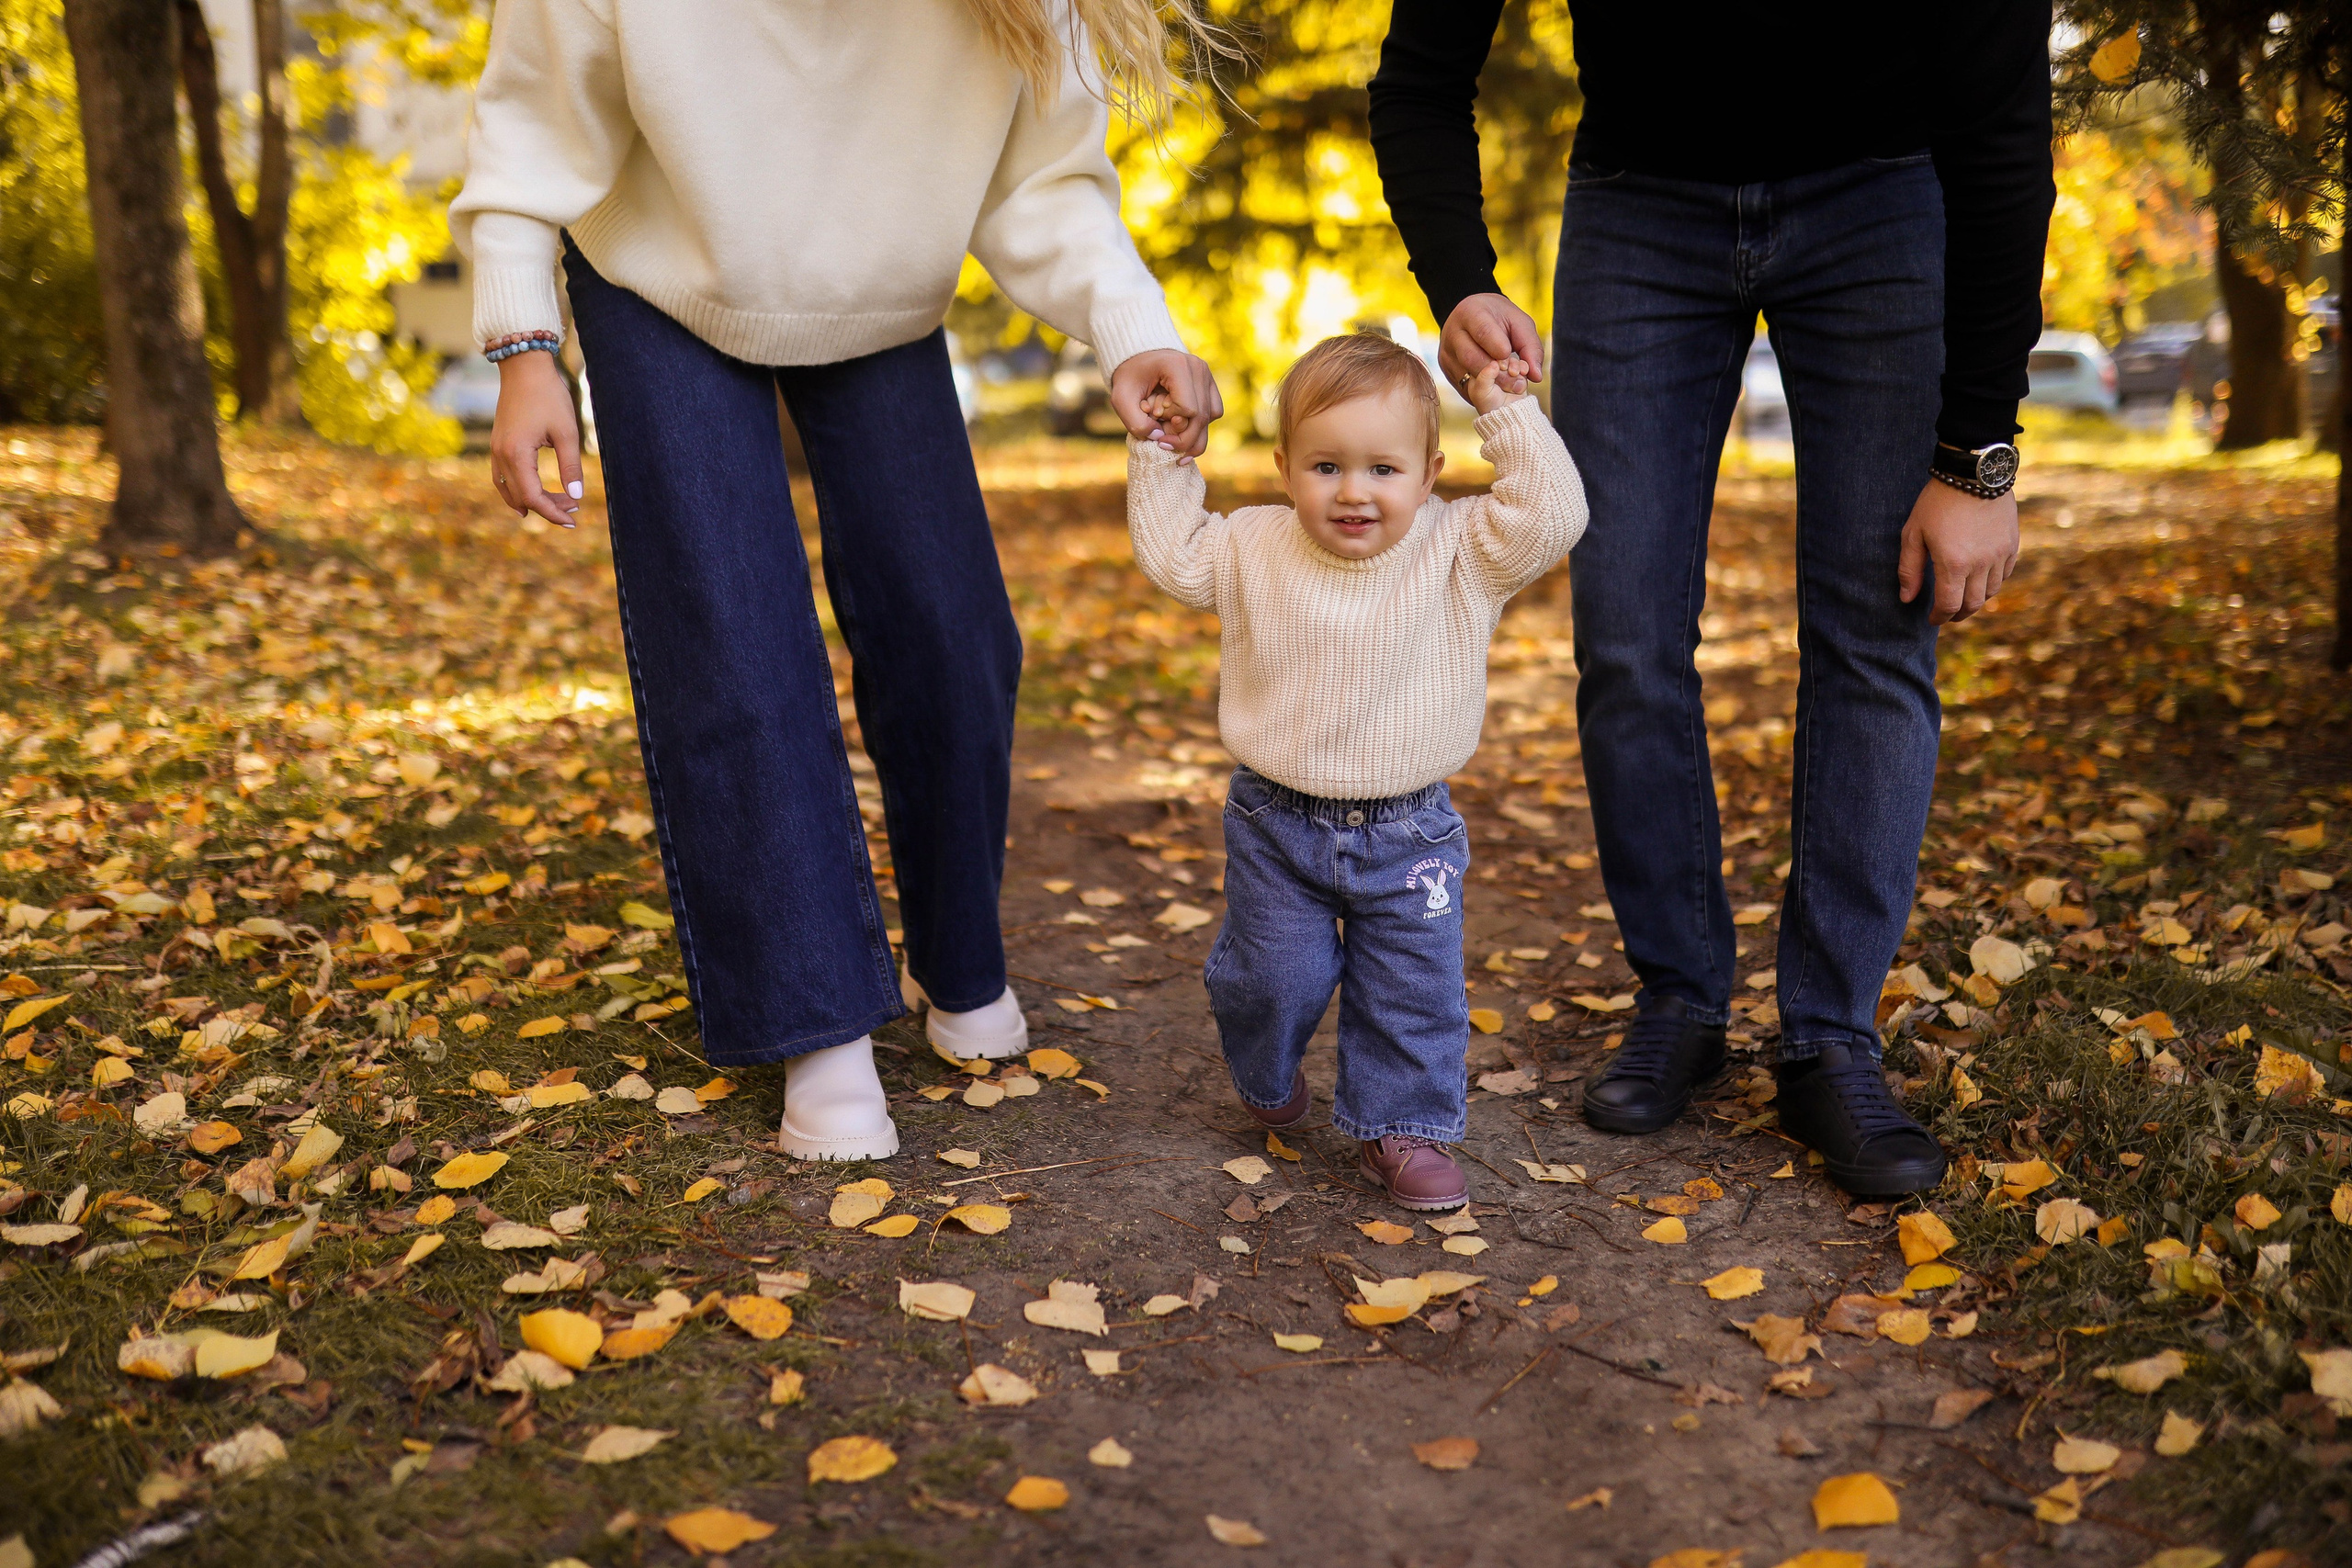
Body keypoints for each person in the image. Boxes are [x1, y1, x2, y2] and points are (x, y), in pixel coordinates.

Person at [449, 0, 1224, 1161]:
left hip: (879, 294)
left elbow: (1044, 180)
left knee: (951, 632)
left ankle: (956, 960)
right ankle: (816, 1021)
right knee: (735, 645)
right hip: (656, 277)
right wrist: (523, 349)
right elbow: (532, 120)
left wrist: (1129, 328)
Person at [1368, 3, 2055, 1195]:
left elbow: (2002, 120)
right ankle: (1678, 994)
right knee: (1625, 630)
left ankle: (1828, 1035)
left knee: (1873, 628)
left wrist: (1976, 452)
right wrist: (1457, 278)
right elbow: (1422, 73)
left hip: (1885, 194)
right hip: (1640, 205)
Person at [1125, 333, 1587, 1209]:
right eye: (1326, 465)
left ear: (1429, 472)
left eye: (1383, 469)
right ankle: (1265, 1071)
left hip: (1409, 829)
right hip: (1276, 823)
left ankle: (1403, 1126)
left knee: (1413, 990)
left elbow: (1555, 514)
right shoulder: (1254, 544)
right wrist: (1161, 454)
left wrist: (1507, 409)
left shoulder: (1463, 548)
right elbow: (1172, 553)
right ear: (1285, 467)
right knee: (1273, 976)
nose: (1353, 491)